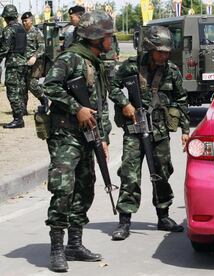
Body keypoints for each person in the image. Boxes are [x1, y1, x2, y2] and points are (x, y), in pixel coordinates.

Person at [43, 10, 123, 272]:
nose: (111, 40)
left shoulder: (97, 62)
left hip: (89, 136)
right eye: (108, 35)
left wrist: (105, 137)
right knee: (63, 189)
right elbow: (50, 86)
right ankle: (57, 248)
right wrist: (75, 107)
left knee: (85, 188)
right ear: (95, 37)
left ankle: (75, 244)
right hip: (66, 135)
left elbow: (100, 104)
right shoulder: (70, 58)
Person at [109, 25, 190, 240]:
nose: (164, 55)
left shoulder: (172, 70)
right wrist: (125, 104)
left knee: (162, 173)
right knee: (129, 174)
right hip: (135, 129)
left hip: (160, 131)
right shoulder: (132, 66)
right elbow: (113, 85)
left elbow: (181, 100)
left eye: (166, 51)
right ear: (149, 48)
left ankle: (163, 217)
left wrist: (185, 129)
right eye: (160, 51)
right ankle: (124, 221)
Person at [0, 4, 27, 128]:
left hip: (13, 64)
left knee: (12, 91)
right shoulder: (21, 28)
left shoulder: (8, 30)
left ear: (6, 17)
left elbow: (4, 49)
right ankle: (20, 115)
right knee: (20, 90)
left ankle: (18, 119)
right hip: (22, 63)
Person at [21, 11, 48, 114]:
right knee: (23, 86)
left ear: (31, 21)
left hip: (36, 62)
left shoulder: (37, 32)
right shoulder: (21, 33)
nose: (24, 23)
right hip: (23, 62)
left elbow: (42, 47)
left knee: (32, 84)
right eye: (22, 21)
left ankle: (43, 98)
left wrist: (35, 56)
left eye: (26, 21)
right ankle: (23, 109)